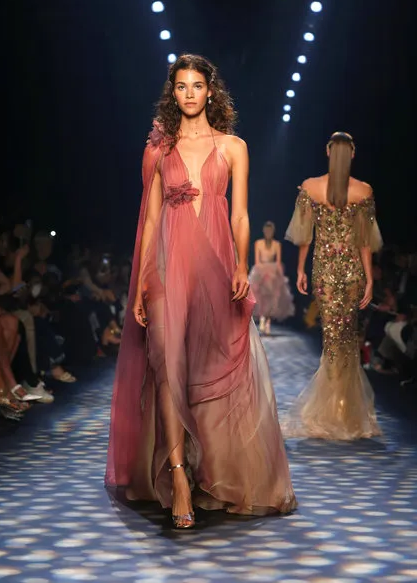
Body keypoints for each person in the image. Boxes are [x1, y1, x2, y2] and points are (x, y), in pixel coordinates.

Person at [106, 54, 297, 528]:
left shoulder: (234, 147)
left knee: (207, 366)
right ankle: (178, 475)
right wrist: (140, 283)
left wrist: (242, 266)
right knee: (167, 363)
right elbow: (149, 221)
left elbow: (240, 215)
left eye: (196, 85)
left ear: (211, 91)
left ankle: (213, 470)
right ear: (172, 93)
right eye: (181, 86)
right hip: (168, 268)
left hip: (213, 266)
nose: (189, 93)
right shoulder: (158, 148)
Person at [283, 131, 383, 440]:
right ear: (351, 154)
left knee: (332, 338)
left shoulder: (311, 187)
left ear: (329, 152)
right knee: (347, 338)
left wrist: (300, 269)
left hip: (325, 272)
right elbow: (364, 242)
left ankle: (335, 407)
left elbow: (305, 236)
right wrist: (367, 278)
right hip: (351, 272)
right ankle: (342, 408)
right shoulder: (363, 191)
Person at [250, 221, 295, 334]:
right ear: (264, 231)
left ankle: (268, 322)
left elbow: (278, 262)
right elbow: (257, 261)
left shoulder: (276, 244)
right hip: (260, 270)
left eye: (270, 231)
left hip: (273, 270)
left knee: (273, 297)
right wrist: (262, 272)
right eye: (266, 230)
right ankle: (261, 319)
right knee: (261, 296)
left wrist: (279, 276)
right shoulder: (258, 243)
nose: (268, 232)